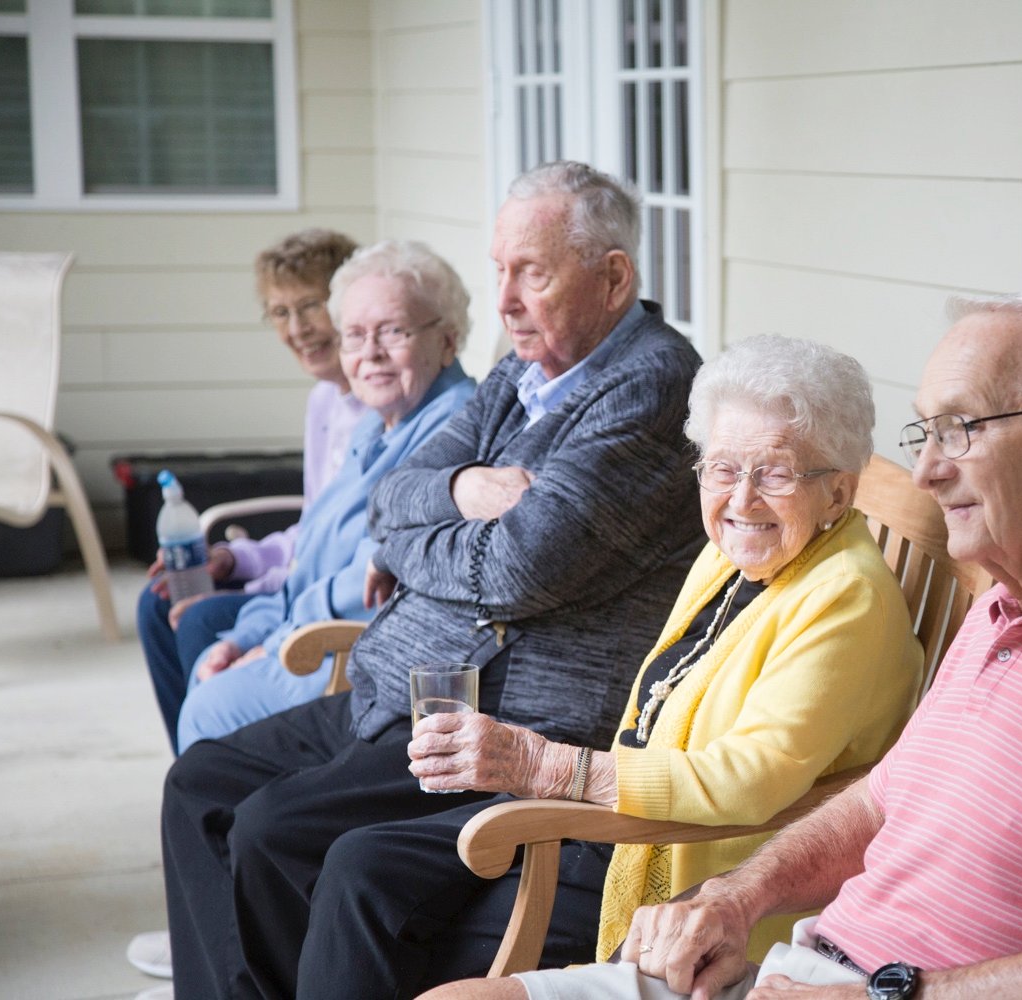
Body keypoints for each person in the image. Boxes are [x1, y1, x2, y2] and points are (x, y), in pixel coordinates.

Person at [434, 291, 1022, 1000]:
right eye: (927, 434)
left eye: (961, 429)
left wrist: (884, 994)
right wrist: (737, 898)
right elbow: (882, 800)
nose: (925, 474)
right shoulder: (1002, 618)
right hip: (795, 971)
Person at [143, 161, 706, 1000]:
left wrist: (427, 531)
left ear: (614, 277)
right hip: (398, 682)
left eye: (533, 274)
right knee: (200, 786)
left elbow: (521, 568)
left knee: (270, 829)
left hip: (497, 712)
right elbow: (390, 498)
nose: (507, 300)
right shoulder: (523, 373)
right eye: (500, 272)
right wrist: (462, 491)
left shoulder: (650, 386)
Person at [286, 334, 925, 1000]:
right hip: (625, 822)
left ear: (837, 494)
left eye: (775, 472)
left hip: (695, 871)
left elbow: (751, 780)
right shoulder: (738, 555)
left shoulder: (846, 595)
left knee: (383, 905)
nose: (742, 498)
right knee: (360, 862)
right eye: (723, 468)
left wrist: (550, 766)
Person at [167, 239, 477, 753]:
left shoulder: (453, 428)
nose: (370, 353)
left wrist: (269, 644)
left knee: (210, 707)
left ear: (448, 340)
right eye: (354, 336)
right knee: (207, 663)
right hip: (305, 634)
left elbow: (369, 580)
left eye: (393, 332)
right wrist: (246, 635)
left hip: (355, 657)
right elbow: (308, 556)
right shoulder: (374, 426)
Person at [135, 229, 365, 756]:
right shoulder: (325, 402)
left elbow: (338, 558)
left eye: (310, 306)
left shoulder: (381, 407)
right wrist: (232, 559)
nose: (297, 328)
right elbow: (315, 527)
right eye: (279, 312)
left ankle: (216, 774)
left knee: (198, 618)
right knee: (158, 602)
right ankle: (192, 773)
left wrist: (258, 579)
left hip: (323, 602)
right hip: (297, 579)